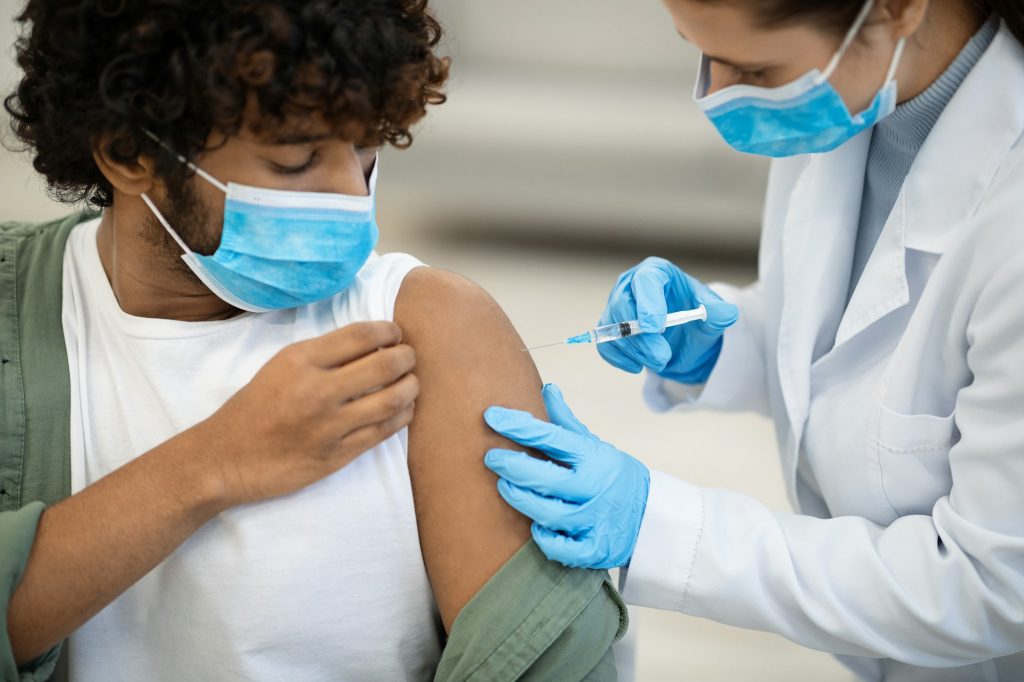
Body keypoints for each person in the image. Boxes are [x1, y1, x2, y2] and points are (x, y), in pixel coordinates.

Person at [0, 1, 627, 680]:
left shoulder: (434, 327)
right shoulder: (18, 313)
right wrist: (213, 463)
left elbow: (550, 660)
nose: (349, 195)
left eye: (365, 150)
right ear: (130, 152)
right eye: (295, 162)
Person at [485, 0, 1024, 679]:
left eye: (755, 69)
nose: (717, 95)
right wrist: (720, 346)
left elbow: (990, 587)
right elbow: (855, 330)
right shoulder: (844, 101)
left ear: (897, 10)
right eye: (700, 53)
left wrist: (659, 525)